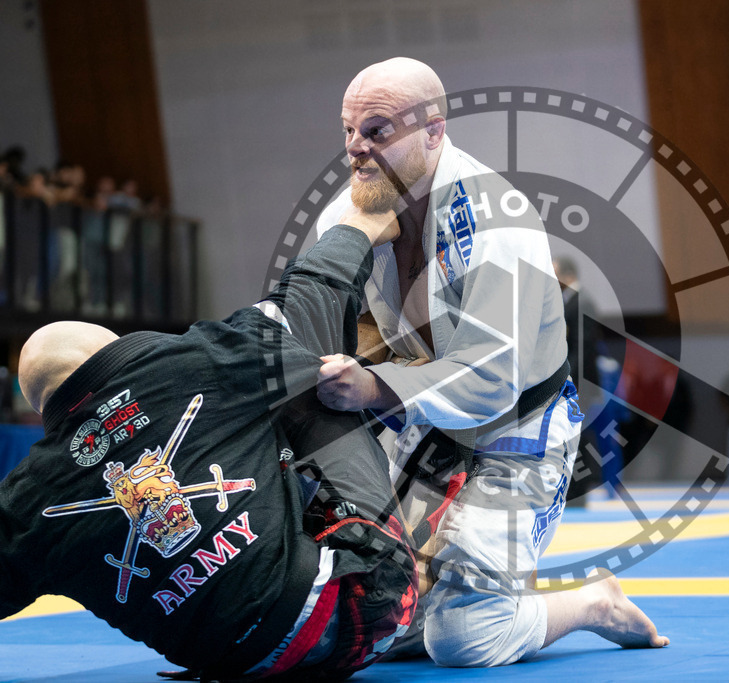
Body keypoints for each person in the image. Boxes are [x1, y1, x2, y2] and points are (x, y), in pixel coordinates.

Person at [314, 57, 668, 667]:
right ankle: (449, 592)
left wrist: (371, 387)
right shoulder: (347, 216)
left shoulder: (493, 223)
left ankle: (592, 602)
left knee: (464, 640)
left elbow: (491, 381)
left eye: (376, 131)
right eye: (348, 131)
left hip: (519, 430)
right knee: (369, 615)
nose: (355, 149)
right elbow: (337, 328)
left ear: (433, 129)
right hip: (424, 427)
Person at [0, 208, 422, 681]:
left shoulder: (29, 497)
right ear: (111, 352)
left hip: (239, 668)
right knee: (315, 375)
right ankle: (439, 508)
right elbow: (304, 298)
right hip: (367, 612)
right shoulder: (189, 362)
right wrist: (361, 224)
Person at [552, 256, 602, 506]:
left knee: (579, 435)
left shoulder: (582, 302)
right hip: (574, 376)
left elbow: (583, 347)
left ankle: (580, 490)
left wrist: (568, 376)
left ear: (565, 274)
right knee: (569, 433)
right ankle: (572, 488)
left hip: (580, 379)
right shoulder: (568, 301)